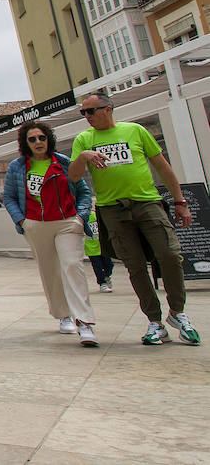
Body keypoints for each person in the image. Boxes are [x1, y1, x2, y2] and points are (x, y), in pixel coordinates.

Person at [68, 93, 199, 346]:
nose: (87, 117)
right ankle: (155, 321)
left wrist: (180, 202)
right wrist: (84, 156)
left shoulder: (136, 131)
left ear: (107, 109)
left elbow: (162, 166)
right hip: (112, 210)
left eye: (91, 111)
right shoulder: (84, 140)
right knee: (135, 266)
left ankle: (178, 313)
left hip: (147, 202)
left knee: (170, 255)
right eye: (83, 113)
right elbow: (73, 177)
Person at [1, 121, 98, 347]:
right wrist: (22, 221)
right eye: (32, 139)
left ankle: (85, 322)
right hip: (36, 224)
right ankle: (64, 315)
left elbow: (83, 191)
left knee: (73, 266)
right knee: (50, 270)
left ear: (48, 139)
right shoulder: (18, 167)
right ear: (25, 143)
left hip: (67, 222)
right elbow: (9, 197)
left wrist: (80, 217)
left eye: (41, 138)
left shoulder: (64, 163)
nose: (37, 142)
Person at [85, 209, 114, 293]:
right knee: (98, 267)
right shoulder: (82, 218)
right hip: (91, 249)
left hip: (102, 246)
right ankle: (102, 283)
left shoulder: (96, 215)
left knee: (109, 264)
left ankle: (107, 276)